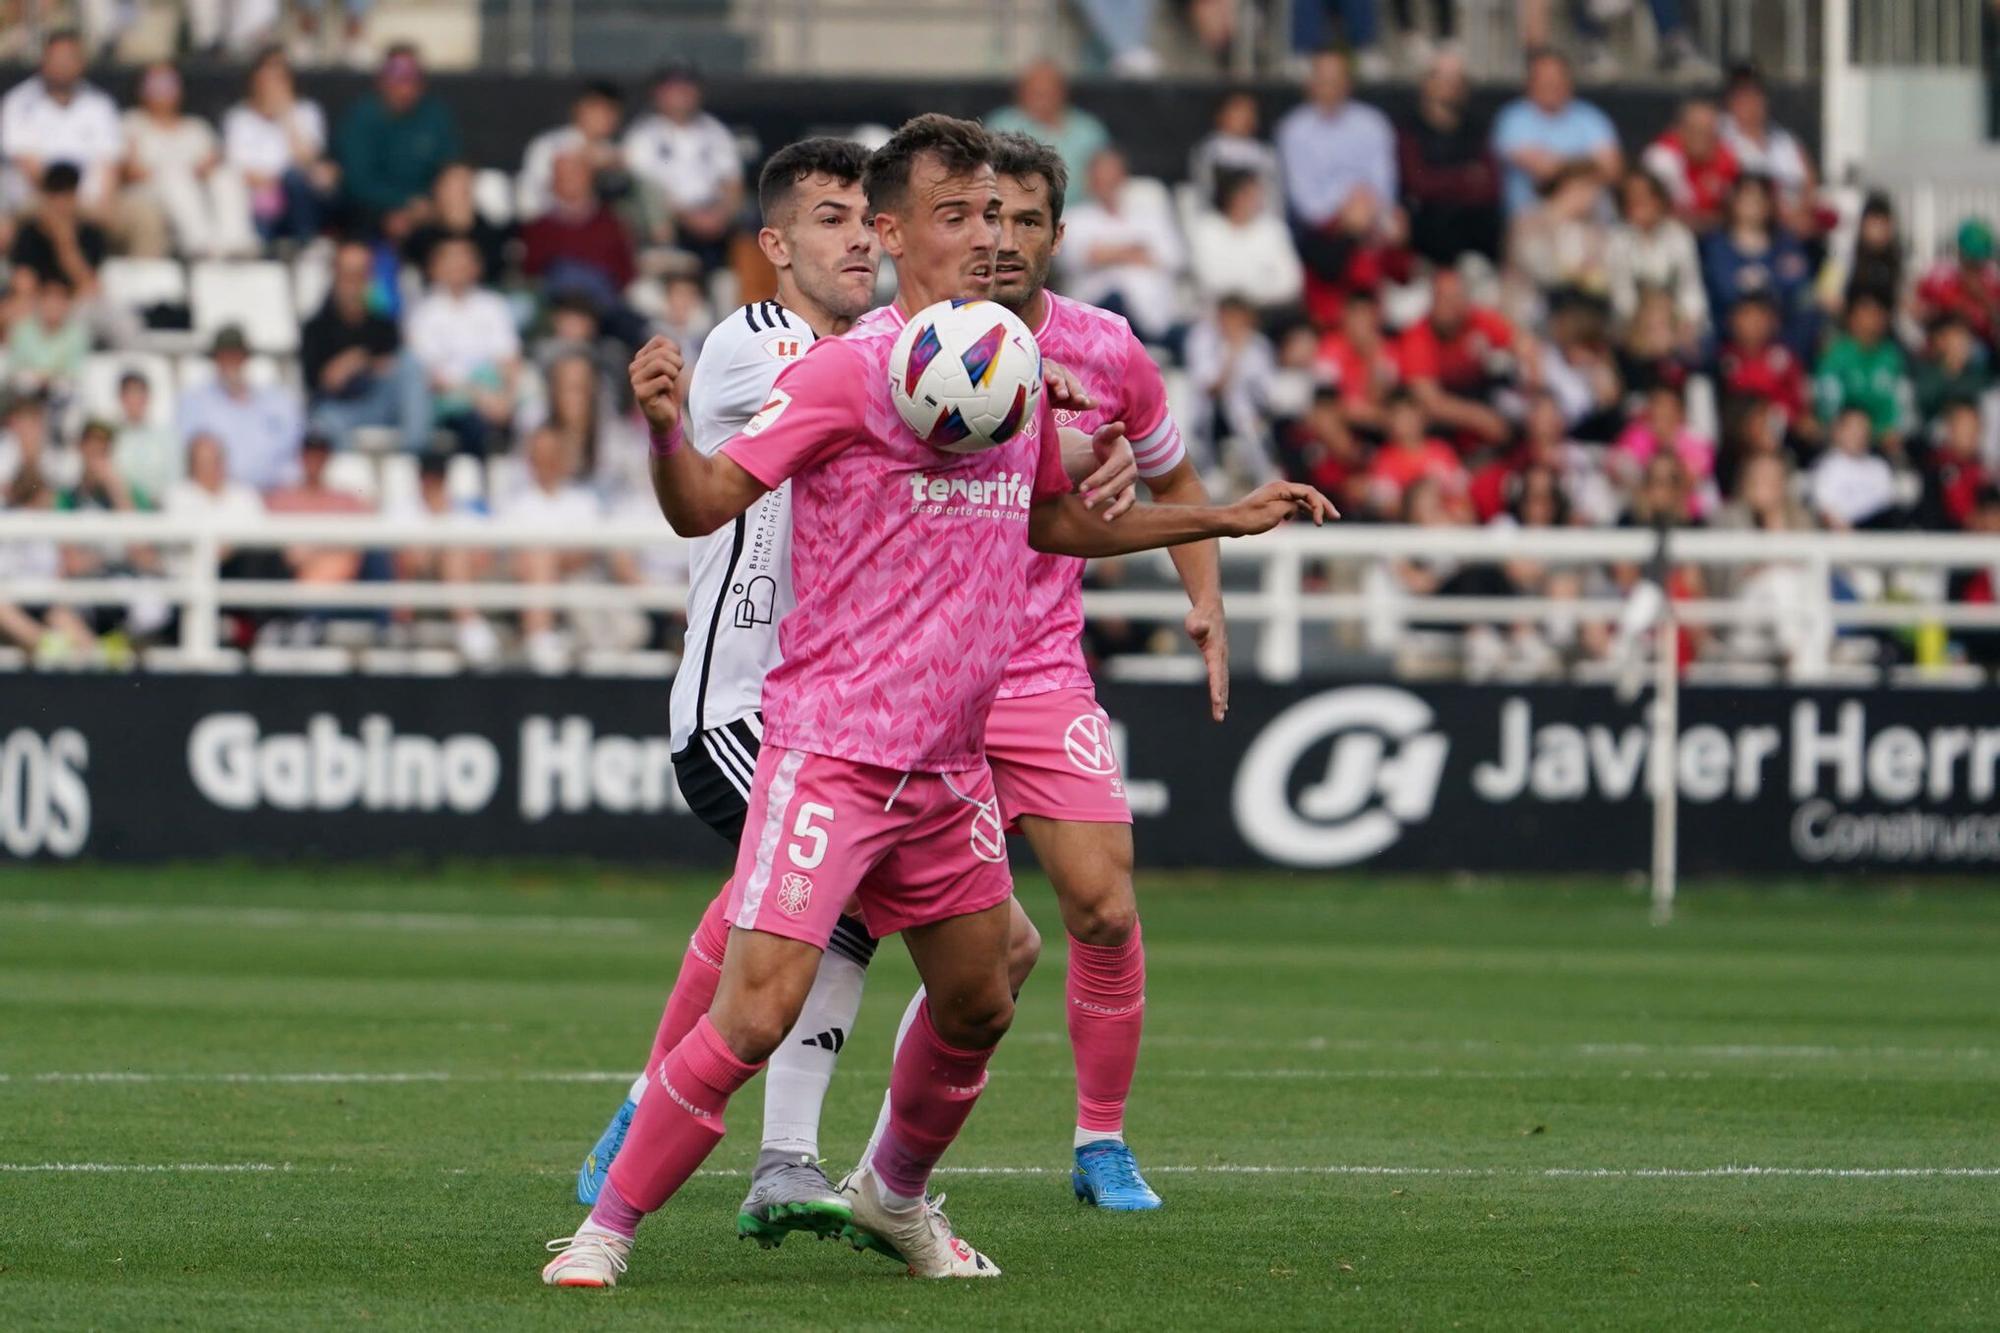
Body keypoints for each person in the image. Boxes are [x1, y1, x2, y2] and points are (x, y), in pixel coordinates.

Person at [541, 113, 1332, 1288]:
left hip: (947, 767)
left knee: (983, 991)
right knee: (757, 1009)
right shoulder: (842, 371)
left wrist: (1215, 517)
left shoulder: (1021, 376)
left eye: (1000, 215)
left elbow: (1054, 520)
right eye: (957, 215)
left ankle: (893, 1195)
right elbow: (702, 502)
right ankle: (605, 1226)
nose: (989, 237)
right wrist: (663, 429)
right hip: (831, 750)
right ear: (893, 233)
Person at [301, 238, 430, 451]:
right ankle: (349, 480)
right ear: (335, 276)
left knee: (412, 366)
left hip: (379, 403)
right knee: (325, 422)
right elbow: (319, 382)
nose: (353, 284)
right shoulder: (316, 327)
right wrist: (349, 367)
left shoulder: (383, 323)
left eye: (360, 275)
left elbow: (392, 366)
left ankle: (414, 455)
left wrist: (358, 361)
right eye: (347, 275)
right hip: (339, 409)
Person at [119, 61, 257, 260]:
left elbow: (213, 163)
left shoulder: (196, 127)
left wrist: (198, 171)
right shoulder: (132, 123)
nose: (162, 90)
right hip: (154, 191)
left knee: (226, 177)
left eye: (168, 83)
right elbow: (130, 170)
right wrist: (176, 170)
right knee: (175, 179)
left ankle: (235, 243)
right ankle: (199, 247)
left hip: (197, 189)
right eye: (155, 84)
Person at [1275, 49, 1397, 268]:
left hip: (1371, 220)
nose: (1330, 87)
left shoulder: (1373, 123)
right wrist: (1345, 211)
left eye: (1336, 80)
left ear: (1348, 83)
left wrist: (1365, 211)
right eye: (1323, 80)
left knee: (1398, 230)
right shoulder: (1293, 129)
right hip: (1321, 231)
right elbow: (1305, 202)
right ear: (1310, 84)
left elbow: (1385, 185)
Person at [1056, 146, 1186, 345]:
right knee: (1116, 299)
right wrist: (1136, 251)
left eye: (1113, 177)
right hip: (1101, 317)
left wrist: (1110, 253)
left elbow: (1175, 259)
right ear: (1090, 181)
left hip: (1155, 314)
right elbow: (1077, 258)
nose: (1108, 184)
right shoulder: (1075, 218)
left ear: (1124, 178)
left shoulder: (1150, 216)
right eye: (1102, 178)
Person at [619, 62, 743, 271]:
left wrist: (721, 215)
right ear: (657, 93)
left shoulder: (715, 130)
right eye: (673, 88)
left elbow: (733, 183)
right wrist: (691, 218)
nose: (681, 94)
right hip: (671, 224)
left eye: (687, 87)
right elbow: (647, 191)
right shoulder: (642, 135)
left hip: (715, 220)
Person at [404, 236, 521, 456]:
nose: (458, 267)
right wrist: (479, 397)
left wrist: (507, 398)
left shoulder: (493, 305)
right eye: (451, 260)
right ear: (435, 268)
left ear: (476, 266)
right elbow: (430, 375)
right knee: (474, 426)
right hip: (450, 399)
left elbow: (509, 359)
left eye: (464, 260)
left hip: (495, 393)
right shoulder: (424, 313)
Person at [334, 44, 460, 236]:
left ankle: (460, 250)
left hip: (427, 208)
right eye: (398, 77)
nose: (405, 86)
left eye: (413, 77)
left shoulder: (434, 115)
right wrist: (402, 204)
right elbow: (357, 181)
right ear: (382, 80)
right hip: (371, 210)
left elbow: (450, 165)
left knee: (458, 191)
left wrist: (428, 205)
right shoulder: (363, 117)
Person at [0, 28, 122, 214]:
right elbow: (24, 162)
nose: (62, 64)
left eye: (69, 58)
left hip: (93, 201)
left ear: (81, 63)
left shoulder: (100, 104)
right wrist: (64, 201)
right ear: (43, 61)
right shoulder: (19, 102)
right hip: (36, 196)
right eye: (56, 58)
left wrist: (101, 203)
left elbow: (110, 164)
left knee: (143, 215)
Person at [1398, 49, 1501, 267]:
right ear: (1425, 82)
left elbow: (1490, 187)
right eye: (1441, 77)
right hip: (1424, 241)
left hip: (1474, 243)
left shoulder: (1478, 129)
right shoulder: (1408, 128)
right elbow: (1418, 184)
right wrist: (1465, 177)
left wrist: (1439, 181)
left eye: (1456, 79)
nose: (1450, 85)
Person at [1491, 48, 1620, 220]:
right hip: (1533, 223)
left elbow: (1612, 169)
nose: (1552, 84)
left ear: (1569, 81)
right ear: (1530, 82)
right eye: (1545, 79)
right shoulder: (1514, 118)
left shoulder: (1591, 117)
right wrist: (1585, 168)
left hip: (1592, 224)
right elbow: (1543, 170)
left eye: (1558, 78)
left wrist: (1562, 167)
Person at [520, 149, 639, 335]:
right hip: (556, 311)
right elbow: (531, 273)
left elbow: (626, 273)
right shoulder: (539, 227)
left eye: (575, 173)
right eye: (563, 174)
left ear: (589, 177)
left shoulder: (611, 223)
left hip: (604, 311)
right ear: (553, 180)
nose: (570, 180)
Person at [221, 48, 332, 245]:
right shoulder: (238, 117)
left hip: (296, 193)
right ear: (255, 81)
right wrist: (269, 184)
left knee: (295, 179)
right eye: (267, 77)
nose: (272, 85)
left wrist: (286, 115)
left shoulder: (307, 112)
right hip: (256, 194)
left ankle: (305, 244)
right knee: (260, 200)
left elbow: (307, 159)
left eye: (280, 77)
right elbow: (236, 167)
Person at [1397, 267, 1514, 451]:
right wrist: (1480, 418)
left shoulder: (1478, 319)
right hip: (1445, 417)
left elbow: (1522, 345)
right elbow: (1431, 402)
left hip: (1480, 394)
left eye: (1454, 299)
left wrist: (1534, 382)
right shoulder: (1417, 337)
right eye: (1442, 299)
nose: (1448, 307)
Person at [175, 325, 303, 492]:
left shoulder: (278, 401)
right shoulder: (194, 402)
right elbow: (191, 456)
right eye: (224, 356)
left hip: (273, 495)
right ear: (215, 359)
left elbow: (294, 453)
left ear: (245, 358)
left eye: (236, 356)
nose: (231, 362)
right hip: (217, 498)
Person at [986, 59, 1109, 211]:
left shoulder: (1088, 129)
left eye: (1050, 91)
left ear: (1063, 92)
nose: (1043, 99)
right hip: (1020, 212)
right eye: (1036, 92)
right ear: (1020, 93)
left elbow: (1107, 175)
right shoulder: (1002, 125)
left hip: (1081, 215)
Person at [1605, 167, 1708, 339]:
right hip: (1634, 329)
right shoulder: (1617, 240)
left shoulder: (1679, 235)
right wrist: (1642, 327)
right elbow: (1622, 295)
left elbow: (1690, 288)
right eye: (1633, 198)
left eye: (1646, 196)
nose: (1640, 203)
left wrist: (1688, 322)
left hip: (1677, 324)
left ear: (1659, 199)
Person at [1719, 63, 1818, 239]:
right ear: (1731, 100)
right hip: (1754, 227)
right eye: (1743, 96)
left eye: (1757, 95)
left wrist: (1803, 212)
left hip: (1796, 223)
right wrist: (1785, 218)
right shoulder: (1722, 137)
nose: (1752, 103)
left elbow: (1810, 182)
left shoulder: (1785, 140)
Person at [1188, 168, 1303, 312]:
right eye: (1249, 194)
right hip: (1221, 316)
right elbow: (1211, 281)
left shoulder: (1273, 229)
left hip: (1270, 314)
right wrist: (1262, 280)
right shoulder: (1206, 229)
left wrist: (1247, 292)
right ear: (1232, 195)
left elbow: (1290, 282)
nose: (1257, 200)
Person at [1813, 289, 1912, 451]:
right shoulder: (1836, 353)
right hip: (1841, 439)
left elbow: (1902, 398)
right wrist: (1839, 429)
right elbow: (1827, 400)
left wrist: (1895, 429)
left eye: (1877, 314)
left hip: (1883, 442)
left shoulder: (1892, 356)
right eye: (1866, 313)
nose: (1872, 320)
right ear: (1851, 318)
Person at [519, 80, 627, 221]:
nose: (606, 118)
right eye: (599, 110)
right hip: (550, 225)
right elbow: (530, 197)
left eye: (612, 111)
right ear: (579, 109)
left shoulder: (614, 152)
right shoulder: (549, 144)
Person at [401, 160, 512, 282]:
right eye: (452, 185)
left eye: (465, 184)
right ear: (437, 189)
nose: (458, 191)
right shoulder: (421, 237)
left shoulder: (493, 234)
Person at [1640, 99, 1739, 234]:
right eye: (1695, 130)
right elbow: (1656, 213)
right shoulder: (1662, 158)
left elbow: (1737, 213)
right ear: (1680, 130)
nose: (1702, 138)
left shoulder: (1727, 157)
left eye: (1708, 131)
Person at [9, 163, 107, 297]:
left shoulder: (91, 234)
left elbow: (88, 284)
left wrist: (64, 242)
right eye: (55, 196)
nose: (61, 205)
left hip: (76, 305)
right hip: (39, 305)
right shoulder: (29, 232)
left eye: (67, 196)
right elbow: (23, 283)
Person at [1186, 89, 1280, 216]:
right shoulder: (1209, 151)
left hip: (1258, 221)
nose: (1245, 117)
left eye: (1250, 112)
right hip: (1218, 221)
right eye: (1238, 111)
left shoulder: (1265, 154)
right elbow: (1204, 193)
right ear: (1221, 115)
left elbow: (1274, 198)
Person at [1915, 218, 2000, 355]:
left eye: (1980, 261)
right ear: (1960, 254)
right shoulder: (1940, 279)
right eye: (1971, 261)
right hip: (1939, 349)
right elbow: (1916, 312)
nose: (1975, 267)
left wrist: (1983, 299)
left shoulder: (1993, 282)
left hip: (1983, 353)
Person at [1810, 406, 1898, 530]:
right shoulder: (1825, 467)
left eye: (1862, 428)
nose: (1858, 434)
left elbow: (1888, 504)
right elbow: (1824, 511)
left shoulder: (1880, 467)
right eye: (1853, 428)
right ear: (1838, 431)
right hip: (1843, 534)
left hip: (1879, 531)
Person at [111, 369, 181, 501]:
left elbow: (174, 480)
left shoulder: (166, 436)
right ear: (121, 398)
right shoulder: (111, 435)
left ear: (148, 397)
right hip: (118, 510)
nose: (134, 401)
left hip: (158, 511)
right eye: (129, 394)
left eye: (139, 394)